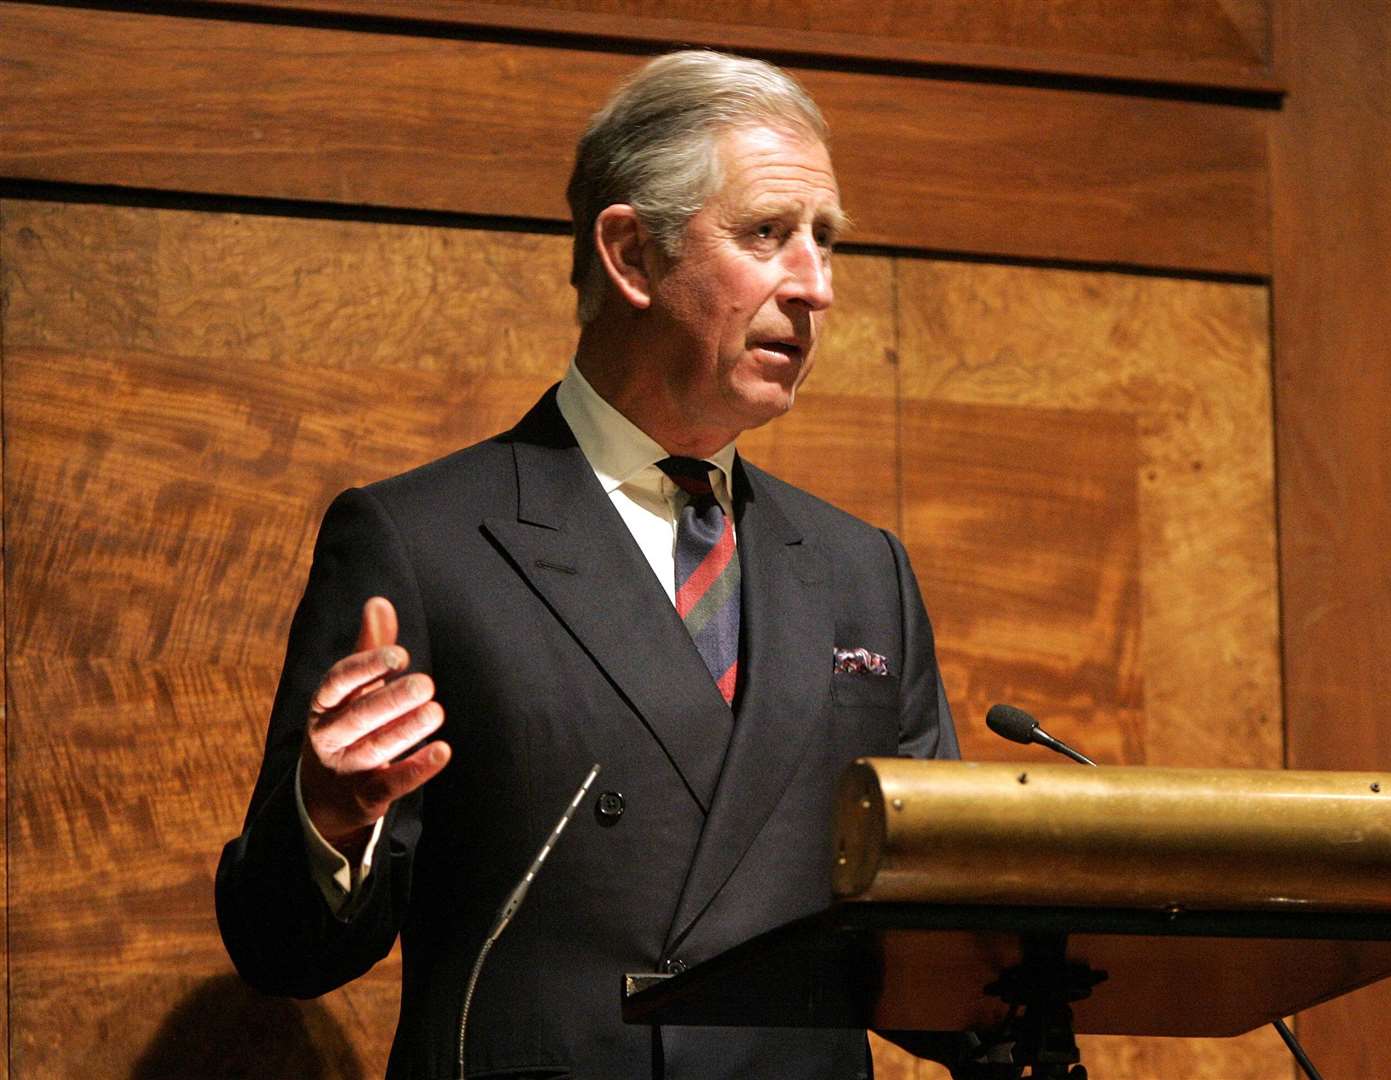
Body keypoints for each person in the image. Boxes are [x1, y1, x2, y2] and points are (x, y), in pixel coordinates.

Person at [216, 49, 960, 1080]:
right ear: (630, 254)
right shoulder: (422, 542)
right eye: (767, 234)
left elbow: (943, 924)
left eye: (825, 243)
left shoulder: (859, 569)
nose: (817, 286)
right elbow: (283, 949)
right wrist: (329, 820)